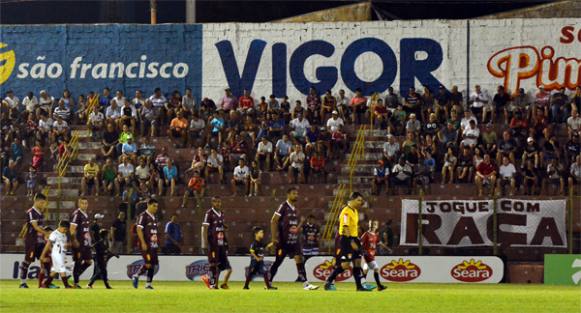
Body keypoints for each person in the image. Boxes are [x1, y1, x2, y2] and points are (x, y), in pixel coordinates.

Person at [269, 187, 318, 290]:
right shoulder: (283, 206)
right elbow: (273, 221)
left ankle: (306, 284)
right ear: (288, 195)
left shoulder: (295, 209)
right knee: (278, 262)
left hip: (294, 241)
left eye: (297, 194)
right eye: (293, 194)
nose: (296, 195)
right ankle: (268, 282)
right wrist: (274, 238)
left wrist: (298, 227)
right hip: (284, 241)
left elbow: (294, 228)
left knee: (299, 258)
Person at [324, 192, 373, 291]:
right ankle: (329, 281)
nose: (360, 202)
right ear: (352, 200)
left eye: (361, 200)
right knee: (345, 265)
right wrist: (352, 242)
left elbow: (353, 227)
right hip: (346, 239)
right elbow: (346, 228)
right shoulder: (346, 211)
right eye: (358, 200)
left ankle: (359, 287)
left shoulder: (355, 211)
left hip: (354, 238)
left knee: (357, 262)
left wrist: (357, 241)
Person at [200, 196, 232, 289]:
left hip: (221, 244)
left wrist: (224, 227)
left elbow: (220, 226)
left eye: (219, 202)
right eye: (216, 202)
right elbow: (205, 228)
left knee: (222, 266)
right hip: (213, 243)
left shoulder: (221, 213)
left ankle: (212, 282)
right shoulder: (209, 213)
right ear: (212, 203)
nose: (218, 203)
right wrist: (205, 244)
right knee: (213, 265)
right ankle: (212, 284)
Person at [19, 192, 49, 288]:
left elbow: (41, 227)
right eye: (41, 202)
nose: (43, 204)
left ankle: (45, 283)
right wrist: (47, 233)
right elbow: (35, 227)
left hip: (41, 242)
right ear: (35, 201)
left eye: (44, 203)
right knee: (27, 262)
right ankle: (23, 283)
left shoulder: (41, 213)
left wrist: (45, 236)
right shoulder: (31, 212)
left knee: (45, 261)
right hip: (32, 242)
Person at [132, 198, 160, 289]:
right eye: (154, 206)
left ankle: (148, 284)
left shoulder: (154, 217)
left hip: (153, 245)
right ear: (148, 205)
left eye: (157, 206)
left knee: (153, 264)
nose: (156, 208)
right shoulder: (143, 216)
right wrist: (143, 242)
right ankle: (136, 275)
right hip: (146, 245)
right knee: (148, 263)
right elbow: (139, 229)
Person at [39, 220, 72, 289]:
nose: (65, 230)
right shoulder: (54, 234)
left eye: (66, 229)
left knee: (55, 270)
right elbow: (48, 244)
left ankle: (45, 284)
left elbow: (64, 244)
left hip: (62, 254)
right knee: (62, 268)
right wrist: (42, 255)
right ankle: (66, 285)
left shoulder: (64, 234)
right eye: (64, 229)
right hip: (56, 254)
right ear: (60, 227)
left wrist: (67, 245)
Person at [70, 197, 93, 288]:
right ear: (79, 204)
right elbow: (72, 229)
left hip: (86, 243)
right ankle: (75, 282)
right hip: (79, 242)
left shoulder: (86, 214)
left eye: (86, 203)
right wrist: (74, 240)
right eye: (82, 203)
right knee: (78, 261)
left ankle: (74, 277)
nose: (85, 205)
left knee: (88, 261)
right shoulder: (77, 214)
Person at [361, 220, 387, 291]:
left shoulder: (375, 235)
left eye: (374, 224)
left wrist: (387, 248)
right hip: (367, 255)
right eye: (371, 223)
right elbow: (360, 243)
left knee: (365, 270)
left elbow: (379, 243)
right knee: (376, 268)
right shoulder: (366, 234)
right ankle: (379, 286)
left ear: (377, 226)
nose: (372, 225)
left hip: (372, 255)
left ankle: (361, 286)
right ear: (369, 225)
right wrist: (363, 252)